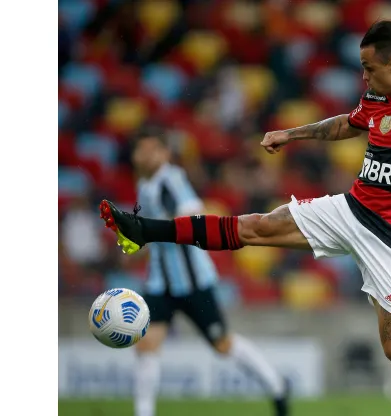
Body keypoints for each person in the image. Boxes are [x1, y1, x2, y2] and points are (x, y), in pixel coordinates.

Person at [99, 19, 391, 401]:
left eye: (369, 69)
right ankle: (143, 229)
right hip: (351, 209)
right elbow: (344, 125)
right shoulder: (377, 98)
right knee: (257, 226)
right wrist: (292, 134)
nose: (364, 78)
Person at [121, 128, 290, 416]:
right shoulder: (145, 186)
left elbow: (193, 211)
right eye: (140, 150)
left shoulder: (170, 181)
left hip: (193, 282)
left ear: (164, 153)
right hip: (160, 283)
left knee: (223, 344)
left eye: (151, 149)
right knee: (146, 345)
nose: (144, 155)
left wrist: (155, 229)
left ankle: (276, 386)